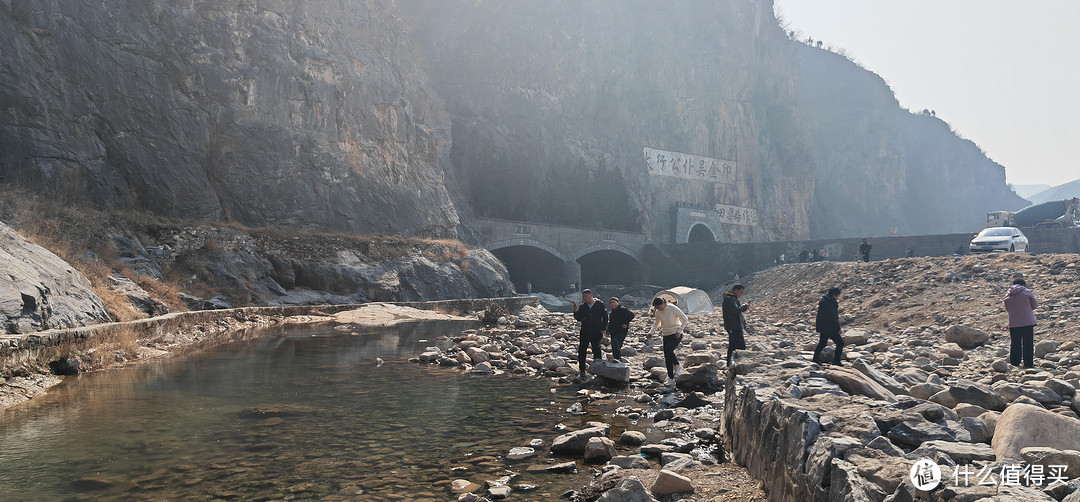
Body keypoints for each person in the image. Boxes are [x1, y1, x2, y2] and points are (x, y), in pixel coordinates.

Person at [647, 297, 688, 385]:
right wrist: (651, 332)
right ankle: (670, 378)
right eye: (656, 307)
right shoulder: (658, 312)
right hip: (666, 334)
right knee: (667, 357)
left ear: (663, 303)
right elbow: (656, 323)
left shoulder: (672, 308)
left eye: (658, 306)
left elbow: (685, 319)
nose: (657, 308)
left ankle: (677, 365)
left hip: (676, 333)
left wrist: (679, 331)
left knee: (669, 350)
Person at [572, 289, 607, 379]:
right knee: (582, 350)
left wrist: (603, 328)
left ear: (591, 295)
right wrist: (575, 312)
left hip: (596, 330)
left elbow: (605, 317)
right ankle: (582, 369)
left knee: (596, 348)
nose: (584, 299)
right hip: (585, 330)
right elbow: (578, 318)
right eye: (583, 297)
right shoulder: (583, 306)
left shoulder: (599, 304)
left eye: (586, 297)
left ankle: (598, 369)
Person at [1004, 278, 1039, 368]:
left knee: (1015, 343)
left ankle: (1015, 363)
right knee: (1028, 343)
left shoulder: (1008, 294)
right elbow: (1035, 305)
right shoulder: (1027, 292)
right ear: (1023, 284)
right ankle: (1028, 363)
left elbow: (1008, 309)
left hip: (1014, 322)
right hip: (1027, 321)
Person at [813, 287, 844, 365]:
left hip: (823, 327)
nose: (838, 298)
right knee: (840, 343)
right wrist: (838, 329)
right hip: (830, 327)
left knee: (822, 343)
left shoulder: (824, 301)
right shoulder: (831, 303)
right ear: (834, 295)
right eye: (837, 296)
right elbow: (833, 317)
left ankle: (815, 359)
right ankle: (836, 361)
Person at [721, 285, 750, 366]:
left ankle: (730, 364)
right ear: (736, 290)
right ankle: (740, 364)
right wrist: (744, 307)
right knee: (740, 345)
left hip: (732, 325)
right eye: (740, 292)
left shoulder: (730, 298)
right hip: (734, 326)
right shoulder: (730, 299)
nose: (741, 294)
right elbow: (735, 310)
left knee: (733, 345)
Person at [606, 297, 634, 363]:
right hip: (614, 331)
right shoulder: (612, 313)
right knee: (615, 344)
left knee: (616, 342)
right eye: (611, 303)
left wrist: (625, 323)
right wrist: (608, 330)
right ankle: (617, 358)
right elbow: (611, 323)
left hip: (622, 331)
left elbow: (631, 316)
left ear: (618, 303)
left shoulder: (623, 310)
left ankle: (618, 358)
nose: (612, 304)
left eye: (614, 302)